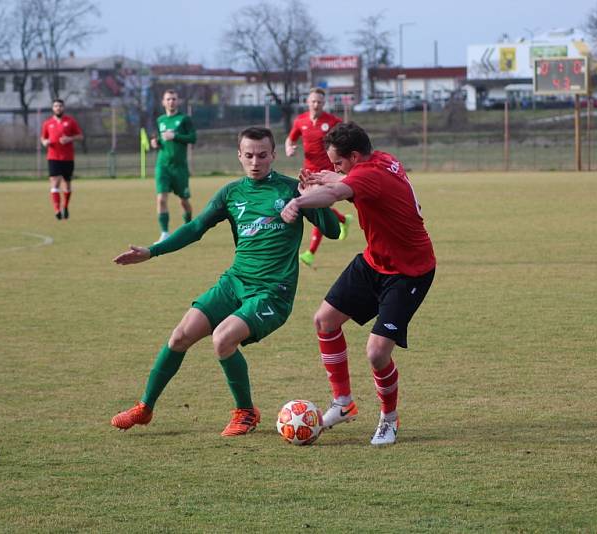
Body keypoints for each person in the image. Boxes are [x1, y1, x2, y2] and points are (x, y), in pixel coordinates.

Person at [110, 126, 340, 436]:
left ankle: (245, 412)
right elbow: (195, 228)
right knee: (180, 336)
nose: (255, 161)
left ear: (273, 155)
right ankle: (145, 408)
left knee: (223, 339)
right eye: (249, 155)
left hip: (272, 293)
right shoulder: (231, 193)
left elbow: (333, 231)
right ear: (239, 156)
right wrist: (152, 251)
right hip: (234, 282)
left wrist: (314, 199)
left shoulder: (291, 189)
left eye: (262, 155)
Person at [281, 122, 436, 446]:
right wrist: (328, 176)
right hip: (375, 261)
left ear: (354, 156)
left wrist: (299, 201)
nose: (334, 168)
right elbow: (347, 182)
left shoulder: (368, 176)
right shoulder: (381, 160)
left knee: (377, 353)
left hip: (410, 271)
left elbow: (339, 193)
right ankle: (343, 403)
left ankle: (389, 420)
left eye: (337, 162)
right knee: (325, 320)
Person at [285, 87, 351, 267]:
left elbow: (348, 135)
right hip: (308, 173)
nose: (316, 104)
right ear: (308, 101)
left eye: (320, 102)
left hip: (327, 172)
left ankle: (310, 253)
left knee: (317, 206)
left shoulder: (332, 121)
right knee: (319, 206)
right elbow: (290, 139)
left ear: (324, 103)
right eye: (313, 101)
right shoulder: (301, 120)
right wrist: (289, 148)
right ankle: (344, 220)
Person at [150, 89, 196, 242]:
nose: (171, 102)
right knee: (161, 199)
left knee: (183, 200)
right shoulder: (160, 120)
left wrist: (175, 136)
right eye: (168, 99)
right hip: (163, 166)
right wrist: (155, 143)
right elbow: (158, 139)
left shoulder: (184, 119)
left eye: (174, 99)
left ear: (178, 101)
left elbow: (193, 138)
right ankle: (164, 233)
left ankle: (189, 228)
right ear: (163, 102)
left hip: (180, 168)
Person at [40, 99, 83, 220]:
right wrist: (45, 142)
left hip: (68, 158)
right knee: (54, 181)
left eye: (60, 106)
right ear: (52, 108)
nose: (58, 108)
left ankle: (65, 206)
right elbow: (43, 138)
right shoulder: (47, 123)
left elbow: (80, 136)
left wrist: (70, 139)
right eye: (55, 106)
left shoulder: (70, 122)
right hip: (53, 157)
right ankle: (57, 209)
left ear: (63, 108)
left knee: (67, 185)